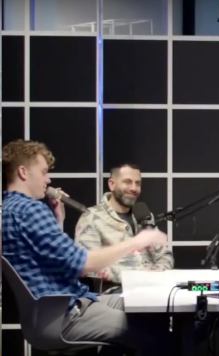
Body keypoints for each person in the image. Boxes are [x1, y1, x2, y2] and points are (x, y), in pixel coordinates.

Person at [1, 139, 172, 355]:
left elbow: (51, 262)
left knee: (147, 308)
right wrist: (137, 241)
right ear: (23, 172)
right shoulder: (30, 210)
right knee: (157, 336)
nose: (48, 179)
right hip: (66, 315)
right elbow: (81, 264)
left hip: (54, 312)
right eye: (44, 172)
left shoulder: (9, 209)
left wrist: (58, 222)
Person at [75, 163, 174, 293]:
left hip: (152, 290)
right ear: (112, 184)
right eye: (127, 182)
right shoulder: (91, 218)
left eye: (138, 183)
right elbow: (88, 266)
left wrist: (156, 274)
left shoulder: (144, 215)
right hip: (114, 294)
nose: (134, 188)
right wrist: (137, 276)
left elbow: (164, 254)